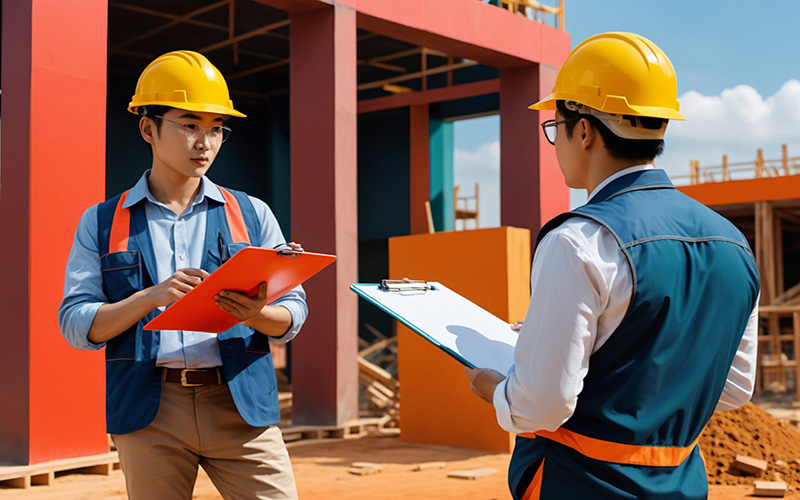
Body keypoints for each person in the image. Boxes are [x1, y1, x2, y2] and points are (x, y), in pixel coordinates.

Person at [465, 32, 759, 499]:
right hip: (682, 486)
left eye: (554, 125)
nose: (554, 139)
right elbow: (734, 387)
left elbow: (542, 406)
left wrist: (491, 387)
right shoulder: (734, 243)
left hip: (581, 484)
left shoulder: (579, 241)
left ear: (584, 130)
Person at [58, 50, 306, 500]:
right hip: (151, 413)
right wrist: (150, 297)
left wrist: (255, 314)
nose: (204, 143)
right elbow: (76, 323)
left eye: (216, 129)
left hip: (241, 404)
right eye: (190, 125)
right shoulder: (100, 222)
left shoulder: (252, 214)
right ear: (148, 128)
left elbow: (294, 312)